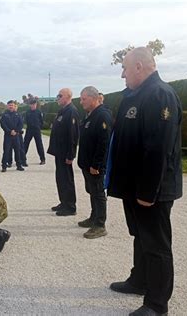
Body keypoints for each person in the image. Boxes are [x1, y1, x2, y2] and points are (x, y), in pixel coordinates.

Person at [107, 47, 183, 316]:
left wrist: (148, 192)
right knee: (140, 237)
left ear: (139, 66)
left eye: (125, 69)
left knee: (157, 245)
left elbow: (158, 148)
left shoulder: (160, 94)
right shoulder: (135, 95)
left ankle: (156, 304)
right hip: (134, 187)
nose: (122, 75)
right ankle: (139, 280)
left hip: (150, 190)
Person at [76, 86, 113, 239]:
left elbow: (103, 143)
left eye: (83, 99)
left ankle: (100, 224)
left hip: (95, 165)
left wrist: (96, 165)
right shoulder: (90, 115)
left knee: (98, 193)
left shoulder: (102, 115)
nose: (81, 102)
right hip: (87, 163)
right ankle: (93, 217)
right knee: (92, 191)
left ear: (93, 98)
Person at [47, 88, 80, 216]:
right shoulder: (63, 111)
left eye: (60, 95)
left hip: (65, 152)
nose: (58, 98)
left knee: (67, 179)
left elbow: (73, 135)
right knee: (60, 178)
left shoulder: (71, 111)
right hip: (59, 152)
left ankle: (70, 206)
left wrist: (71, 154)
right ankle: (64, 202)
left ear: (68, 96)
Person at [0, 100, 25, 172]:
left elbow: (21, 124)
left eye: (12, 105)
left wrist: (16, 131)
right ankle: (4, 166)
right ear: (7, 106)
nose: (11, 106)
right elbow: (3, 124)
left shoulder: (18, 114)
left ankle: (19, 165)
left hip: (16, 136)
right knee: (6, 151)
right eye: (9, 105)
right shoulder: (4, 115)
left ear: (14, 106)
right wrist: (9, 131)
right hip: (8, 136)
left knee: (17, 151)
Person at [23, 98, 46, 165]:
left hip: (37, 130)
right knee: (25, 144)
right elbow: (25, 121)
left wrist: (39, 127)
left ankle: (42, 159)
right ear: (30, 105)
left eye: (34, 104)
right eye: (32, 104)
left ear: (36, 105)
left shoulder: (39, 112)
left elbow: (41, 121)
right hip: (29, 130)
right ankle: (22, 159)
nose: (33, 105)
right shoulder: (27, 112)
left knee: (39, 145)